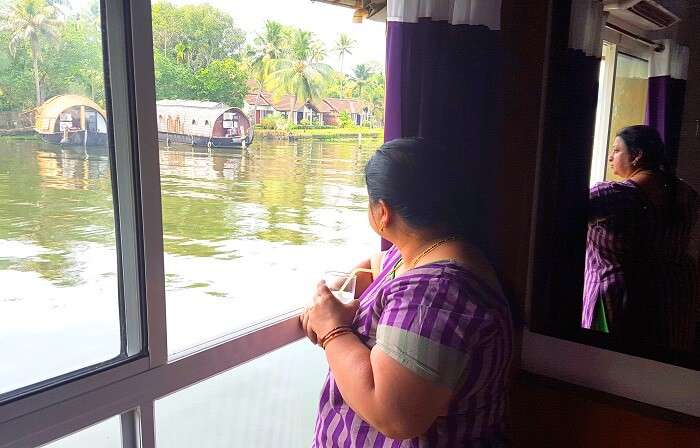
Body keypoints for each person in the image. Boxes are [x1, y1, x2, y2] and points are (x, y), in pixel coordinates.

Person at [300, 138, 513, 447]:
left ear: (382, 212)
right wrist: (339, 288)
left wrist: (333, 330)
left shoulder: (435, 291)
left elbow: (394, 415)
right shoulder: (427, 253)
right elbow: (378, 266)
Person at [582, 125, 699, 351]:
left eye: (616, 150)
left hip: (619, 299)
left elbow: (560, 219)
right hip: (673, 297)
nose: (609, 158)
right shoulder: (688, 195)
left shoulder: (611, 196)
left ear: (636, 156)